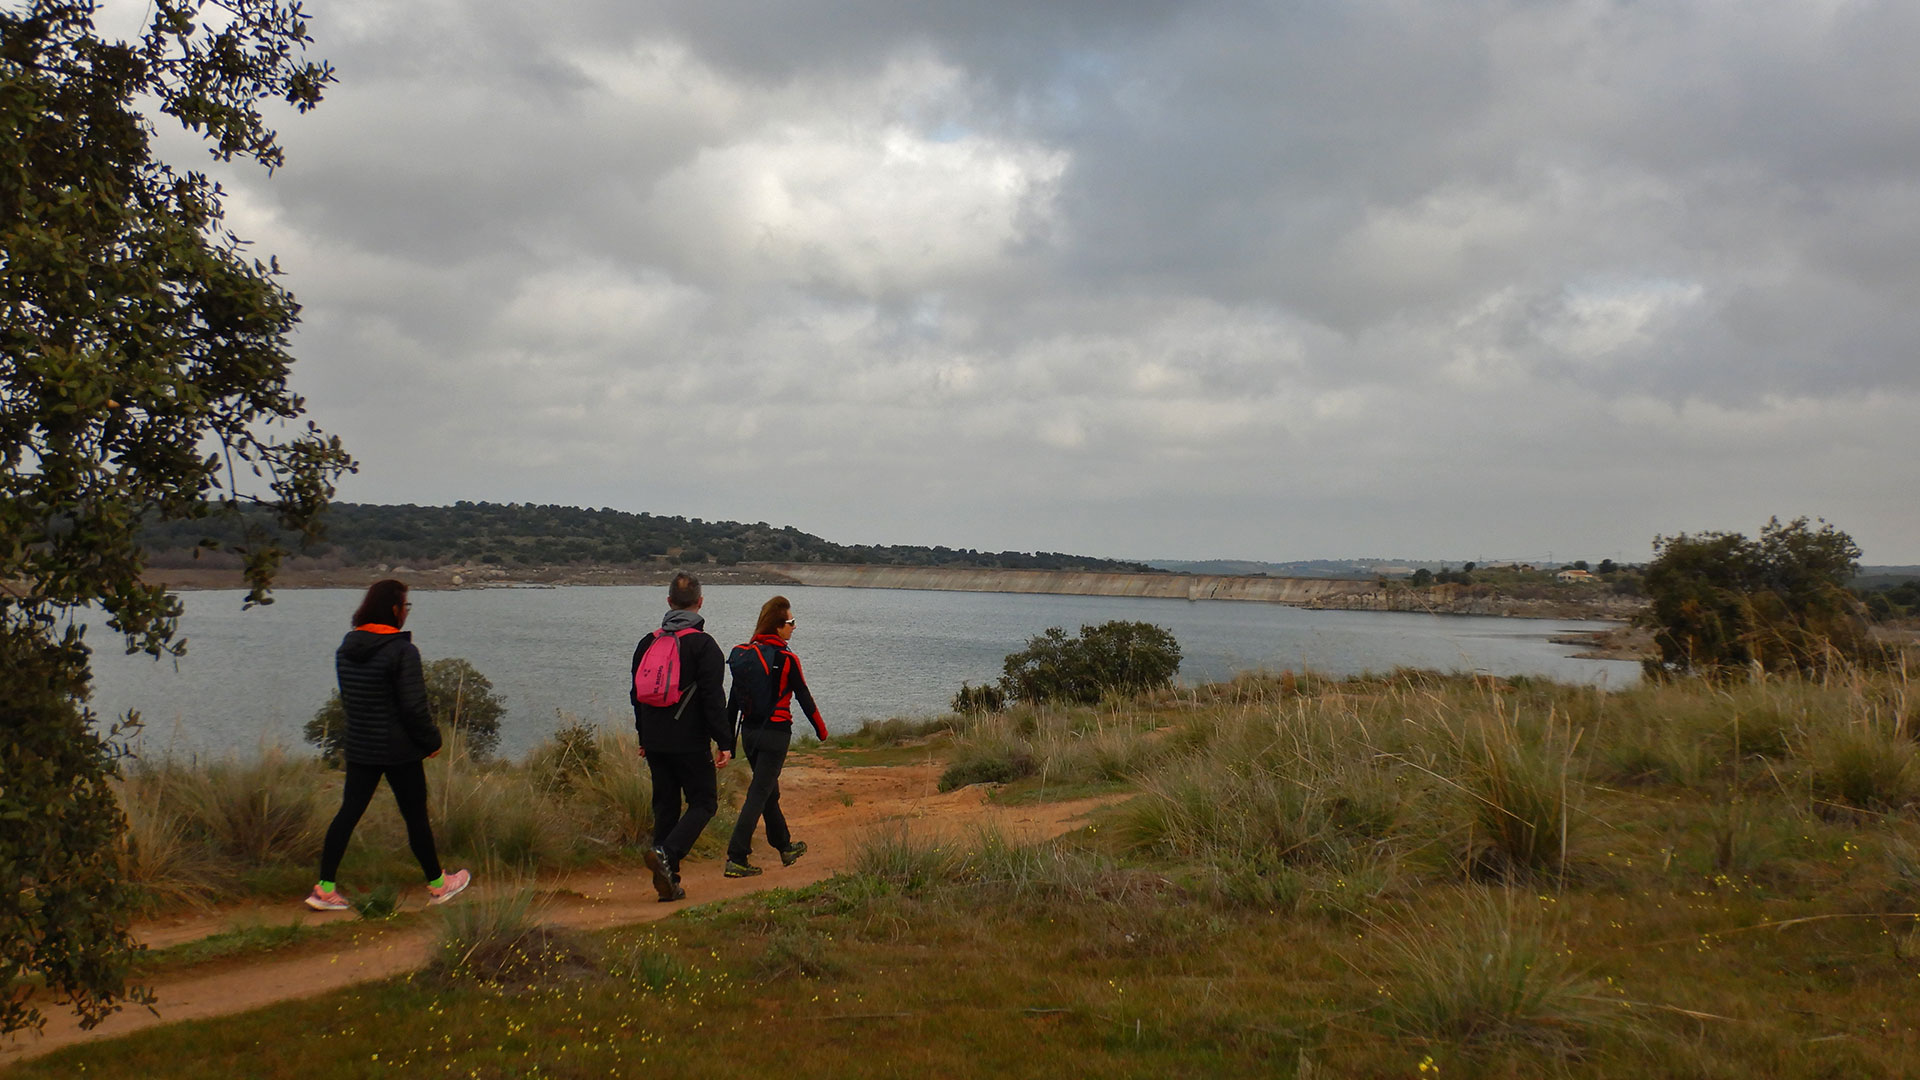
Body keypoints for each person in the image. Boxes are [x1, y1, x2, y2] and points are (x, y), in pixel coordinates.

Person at [307, 580, 470, 911]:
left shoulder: (347, 648)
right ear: (394, 609)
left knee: (347, 814)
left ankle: (324, 889)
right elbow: (413, 707)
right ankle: (439, 885)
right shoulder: (402, 651)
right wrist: (431, 741)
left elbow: (354, 701)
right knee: (415, 817)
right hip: (399, 750)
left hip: (361, 746)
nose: (406, 613)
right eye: (405, 606)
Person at [632, 571, 733, 902]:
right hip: (689, 742)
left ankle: (668, 882)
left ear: (669, 602)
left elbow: (636, 695)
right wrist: (726, 742)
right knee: (704, 802)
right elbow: (713, 699)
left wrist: (643, 737)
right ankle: (667, 854)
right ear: (700, 603)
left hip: (656, 743)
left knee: (666, 807)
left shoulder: (647, 642)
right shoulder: (704, 646)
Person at [723, 595, 827, 878]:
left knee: (769, 791)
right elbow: (804, 696)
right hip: (776, 734)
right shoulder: (787, 658)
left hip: (750, 734)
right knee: (758, 793)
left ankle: (785, 847)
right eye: (791, 622)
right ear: (778, 626)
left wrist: (727, 743)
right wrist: (821, 730)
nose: (794, 626)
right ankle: (736, 857)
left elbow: (732, 704)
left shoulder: (745, 656)